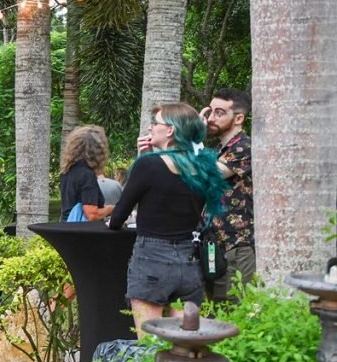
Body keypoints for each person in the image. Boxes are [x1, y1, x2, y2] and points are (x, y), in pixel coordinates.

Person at [109, 103, 227, 334]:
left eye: (156, 123)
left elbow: (118, 217)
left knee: (148, 344)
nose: (151, 128)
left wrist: (141, 160)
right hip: (189, 262)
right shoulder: (203, 168)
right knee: (186, 341)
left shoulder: (149, 165)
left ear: (171, 130)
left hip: (151, 259)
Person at [201, 88, 255, 301]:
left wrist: (193, 138)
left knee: (240, 313)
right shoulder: (218, 151)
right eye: (211, 112)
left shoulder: (244, 146)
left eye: (219, 112)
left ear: (239, 118)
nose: (211, 118)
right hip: (215, 245)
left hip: (238, 246)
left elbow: (209, 174)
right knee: (218, 315)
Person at [59, 125, 114, 221]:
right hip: (82, 232)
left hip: (65, 227)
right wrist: (112, 209)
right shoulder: (87, 175)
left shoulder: (67, 171)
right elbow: (92, 214)